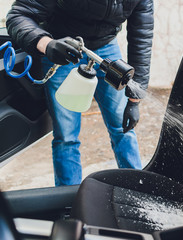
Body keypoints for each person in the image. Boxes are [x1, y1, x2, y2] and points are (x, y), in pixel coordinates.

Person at [6, 0, 154, 186]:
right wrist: (47, 44)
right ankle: (68, 202)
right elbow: (18, 15)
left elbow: (141, 38)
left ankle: (137, 188)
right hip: (62, 49)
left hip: (106, 47)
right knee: (66, 136)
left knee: (122, 128)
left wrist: (134, 100)